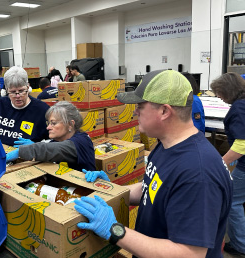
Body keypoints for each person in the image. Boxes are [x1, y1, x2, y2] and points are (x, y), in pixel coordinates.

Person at [74, 69, 232, 258]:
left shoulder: (198, 173)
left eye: (140, 105)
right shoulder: (166, 144)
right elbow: (151, 187)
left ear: (164, 111)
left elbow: (189, 253)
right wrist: (111, 190)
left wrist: (115, 230)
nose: (135, 111)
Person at [211, 72, 245, 256]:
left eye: (219, 92)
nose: (218, 97)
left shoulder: (239, 108)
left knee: (233, 202)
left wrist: (220, 162)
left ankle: (240, 245)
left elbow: (242, 143)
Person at [6, 101, 96, 171]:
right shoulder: (58, 140)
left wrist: (20, 152)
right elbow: (49, 146)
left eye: (53, 123)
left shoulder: (81, 141)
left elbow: (54, 149)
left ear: (70, 124)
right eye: (48, 123)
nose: (48, 127)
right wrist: (34, 144)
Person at [0, 66, 50, 146]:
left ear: (28, 87)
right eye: (12, 92)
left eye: (21, 91)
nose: (17, 96)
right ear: (6, 90)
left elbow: (54, 141)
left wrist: (37, 145)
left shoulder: (42, 110)